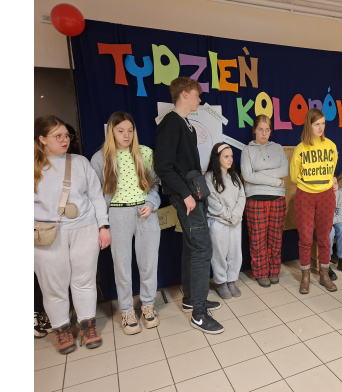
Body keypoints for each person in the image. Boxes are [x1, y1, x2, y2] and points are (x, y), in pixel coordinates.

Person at [154, 77, 224, 334]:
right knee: (202, 248)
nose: (200, 99)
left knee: (191, 247)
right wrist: (185, 194)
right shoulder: (171, 123)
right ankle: (199, 314)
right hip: (186, 196)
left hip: (193, 193)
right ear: (184, 94)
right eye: (197, 95)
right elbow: (163, 166)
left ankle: (191, 299)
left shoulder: (187, 125)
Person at [34, 115, 109, 354]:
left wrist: (103, 227)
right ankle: (62, 329)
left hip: (84, 228)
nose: (64, 140)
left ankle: (88, 325)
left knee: (84, 281)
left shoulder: (80, 162)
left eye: (66, 135)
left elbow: (96, 196)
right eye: (57, 136)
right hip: (47, 234)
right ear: (42, 139)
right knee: (53, 286)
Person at [91, 111, 162, 335]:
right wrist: (103, 224)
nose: (126, 135)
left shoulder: (145, 153)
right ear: (111, 132)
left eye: (130, 130)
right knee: (121, 265)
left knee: (149, 263)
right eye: (121, 131)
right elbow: (95, 194)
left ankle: (148, 305)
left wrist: (151, 203)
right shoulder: (100, 158)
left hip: (145, 212)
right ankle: (127, 311)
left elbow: (155, 184)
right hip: (118, 213)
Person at [290, 108, 338, 294]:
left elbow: (331, 171)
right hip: (305, 195)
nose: (321, 127)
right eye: (317, 124)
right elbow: (294, 176)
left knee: (325, 237)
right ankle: (305, 276)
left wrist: (327, 184)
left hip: (326, 194)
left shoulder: (331, 146)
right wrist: (310, 183)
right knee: (305, 238)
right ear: (309, 125)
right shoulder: (300, 148)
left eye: (323, 123)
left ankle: (324, 274)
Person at [240, 115, 288, 288]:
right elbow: (247, 176)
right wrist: (275, 181)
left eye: (267, 130)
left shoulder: (278, 148)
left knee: (275, 238)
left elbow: (284, 170)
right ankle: (261, 273)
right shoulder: (247, 150)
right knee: (257, 239)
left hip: (277, 198)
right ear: (254, 130)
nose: (264, 133)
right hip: (255, 199)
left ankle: (274, 271)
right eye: (260, 129)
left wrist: (259, 175)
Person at [205, 143, 246, 299]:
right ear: (217, 158)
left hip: (235, 221)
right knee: (220, 254)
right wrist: (228, 215)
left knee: (235, 253)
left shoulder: (234, 176)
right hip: (218, 222)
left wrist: (235, 215)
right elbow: (212, 201)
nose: (230, 160)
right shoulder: (209, 177)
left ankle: (231, 280)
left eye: (231, 156)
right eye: (226, 156)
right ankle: (221, 282)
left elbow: (241, 196)